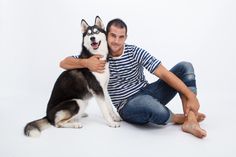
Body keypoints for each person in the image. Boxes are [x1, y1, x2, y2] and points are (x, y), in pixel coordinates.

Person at [60, 18, 207, 138]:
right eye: (113, 36)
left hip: (149, 92)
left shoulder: (134, 51)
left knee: (185, 67)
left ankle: (191, 120)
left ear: (126, 37)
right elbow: (63, 63)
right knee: (151, 106)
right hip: (128, 105)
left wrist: (189, 95)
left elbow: (163, 73)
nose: (116, 41)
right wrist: (85, 63)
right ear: (105, 35)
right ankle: (177, 118)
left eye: (121, 37)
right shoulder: (97, 55)